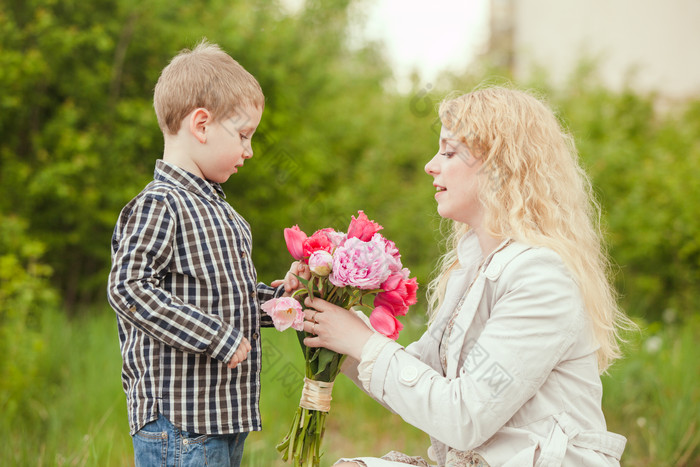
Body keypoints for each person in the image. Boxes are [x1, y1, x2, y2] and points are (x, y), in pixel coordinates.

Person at [300, 86, 634, 466]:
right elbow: (423, 381)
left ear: (499, 167)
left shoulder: (541, 277)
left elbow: (464, 418)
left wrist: (359, 341)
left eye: (449, 151)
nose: (431, 165)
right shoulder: (473, 268)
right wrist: (328, 325)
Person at [107, 40, 302, 467]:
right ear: (201, 125)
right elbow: (128, 288)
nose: (249, 151)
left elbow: (227, 298)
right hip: (179, 422)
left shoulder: (224, 214)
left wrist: (284, 302)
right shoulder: (161, 203)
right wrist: (215, 337)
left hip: (222, 415)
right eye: (244, 135)